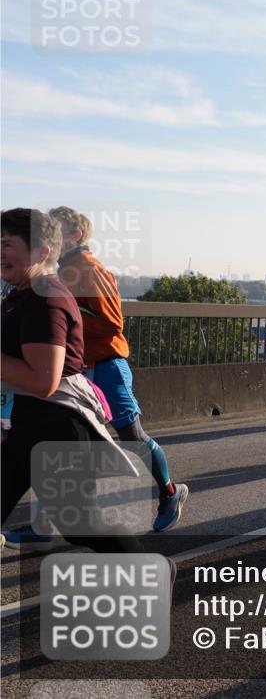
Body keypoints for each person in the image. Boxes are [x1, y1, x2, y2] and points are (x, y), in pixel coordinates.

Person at [6, 206, 190, 551]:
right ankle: (43, 527)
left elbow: (111, 324)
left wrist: (62, 325)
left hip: (105, 363)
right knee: (51, 444)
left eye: (56, 230)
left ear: (75, 236)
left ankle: (168, 493)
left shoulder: (89, 269)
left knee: (131, 434)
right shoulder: (56, 272)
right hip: (76, 369)